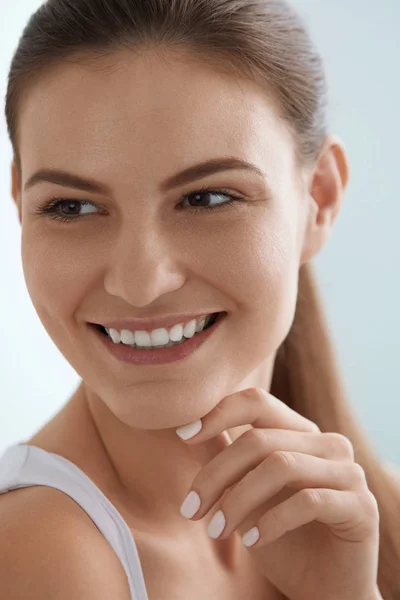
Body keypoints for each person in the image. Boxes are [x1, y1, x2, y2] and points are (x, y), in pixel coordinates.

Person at [0, 0, 398, 598]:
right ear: (19, 201)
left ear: (318, 198)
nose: (139, 283)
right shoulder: (42, 553)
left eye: (207, 199)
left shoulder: (368, 517)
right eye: (72, 206)